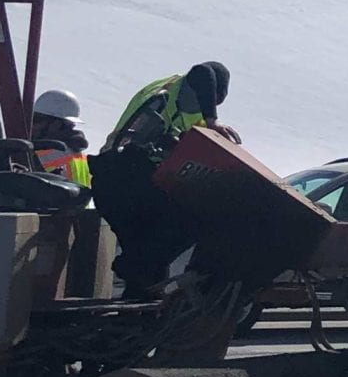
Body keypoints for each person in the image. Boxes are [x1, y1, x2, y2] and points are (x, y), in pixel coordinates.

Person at [98, 62, 234, 293]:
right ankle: (132, 271)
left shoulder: (170, 96)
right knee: (186, 223)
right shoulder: (180, 89)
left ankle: (138, 308)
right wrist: (212, 119)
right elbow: (203, 71)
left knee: (148, 253)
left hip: (117, 177)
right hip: (122, 174)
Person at [103, 62, 234, 157]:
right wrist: (212, 120)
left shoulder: (198, 117)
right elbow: (203, 72)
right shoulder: (161, 96)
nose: (205, 106)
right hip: (116, 159)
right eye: (206, 99)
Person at [29, 88, 93, 191]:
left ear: (57, 124)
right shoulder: (77, 154)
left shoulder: (46, 153)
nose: (32, 125)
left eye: (37, 119)